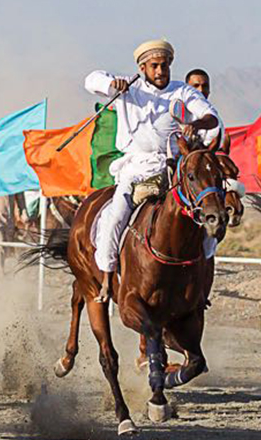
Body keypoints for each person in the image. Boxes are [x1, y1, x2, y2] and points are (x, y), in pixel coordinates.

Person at [84, 39, 222, 302]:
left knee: (205, 222)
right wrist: (112, 85)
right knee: (116, 216)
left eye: (165, 65)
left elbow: (211, 116)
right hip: (135, 169)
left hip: (172, 169)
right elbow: (91, 80)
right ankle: (107, 277)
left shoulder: (182, 91)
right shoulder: (128, 87)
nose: (161, 71)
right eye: (155, 66)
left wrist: (198, 122)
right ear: (142, 67)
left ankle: (202, 282)